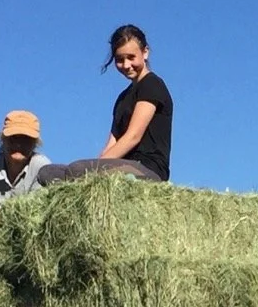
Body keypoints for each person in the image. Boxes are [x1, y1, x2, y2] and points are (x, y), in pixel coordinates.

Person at [34, 25, 173, 187]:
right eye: (120, 59)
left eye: (131, 57)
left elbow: (133, 136)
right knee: (48, 172)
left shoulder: (152, 84)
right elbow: (112, 142)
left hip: (147, 169)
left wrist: (92, 172)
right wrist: (97, 166)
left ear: (145, 52)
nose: (126, 65)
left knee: (77, 170)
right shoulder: (123, 98)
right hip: (120, 166)